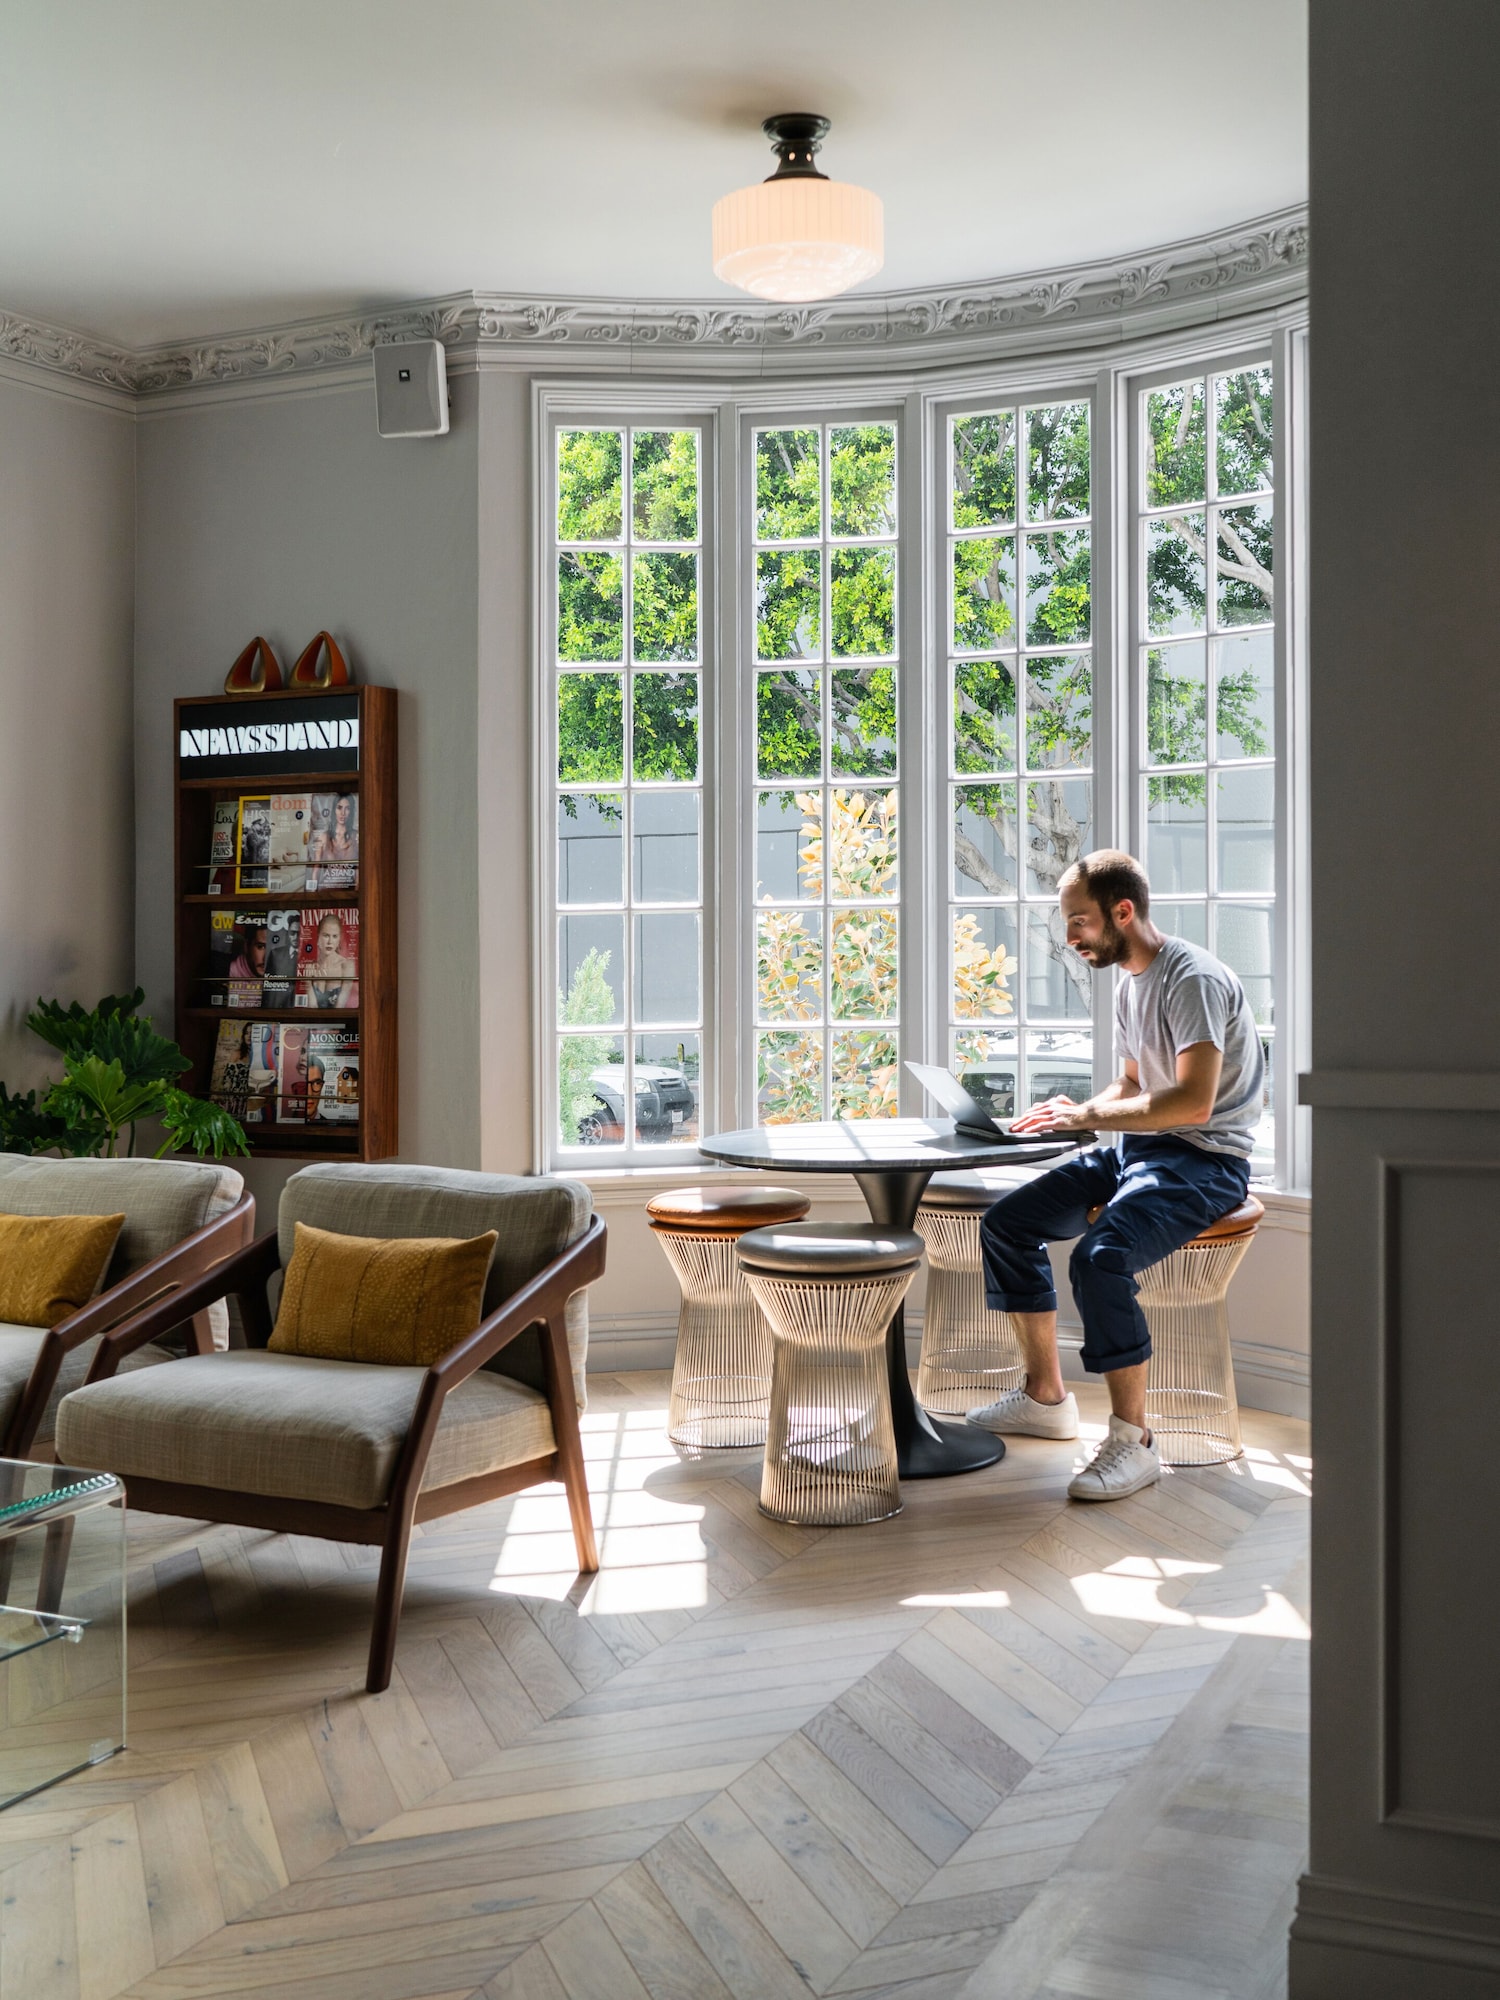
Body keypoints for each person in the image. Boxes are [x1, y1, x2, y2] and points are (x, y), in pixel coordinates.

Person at [971, 849, 1264, 1501]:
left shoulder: (1191, 980)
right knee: (1006, 1224)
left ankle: (1135, 1442)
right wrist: (1074, 1116)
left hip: (1205, 1161)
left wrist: (1096, 1112)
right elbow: (1133, 1085)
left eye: (1078, 922)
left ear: (1122, 912)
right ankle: (1045, 1398)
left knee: (1101, 1260)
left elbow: (1193, 1102)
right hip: (1142, 1149)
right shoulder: (1133, 981)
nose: (1069, 937)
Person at [307, 791, 357, 889]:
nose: (343, 813)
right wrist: (312, 895)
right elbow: (316, 869)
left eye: (347, 808)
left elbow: (359, 871)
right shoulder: (324, 837)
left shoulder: (356, 836)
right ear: (334, 809)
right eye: (339, 808)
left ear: (351, 811)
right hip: (327, 892)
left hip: (350, 894)